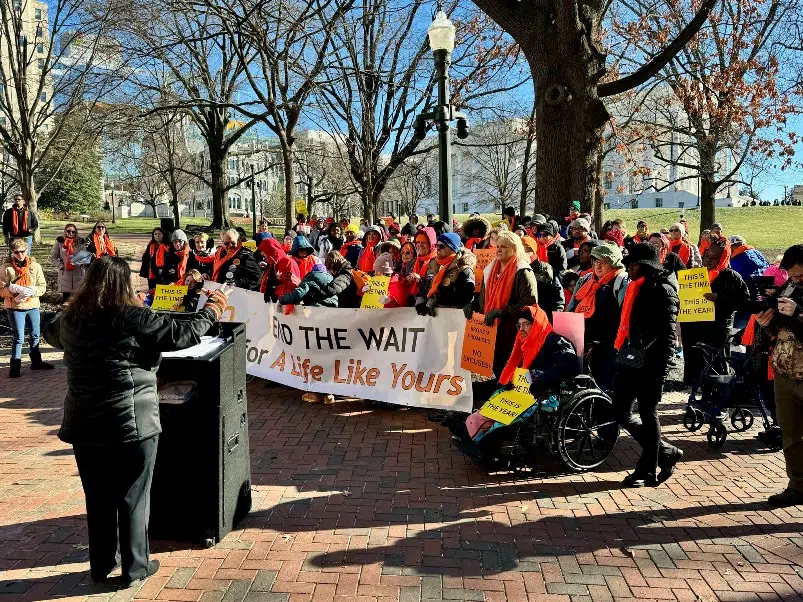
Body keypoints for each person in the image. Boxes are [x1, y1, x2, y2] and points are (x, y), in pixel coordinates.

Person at [43, 256, 231, 587]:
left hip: (85, 423)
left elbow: (50, 332)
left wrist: (70, 312)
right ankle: (135, 567)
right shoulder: (133, 317)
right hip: (131, 421)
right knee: (133, 494)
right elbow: (183, 335)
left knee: (97, 496)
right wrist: (213, 309)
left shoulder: (73, 319)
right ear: (125, 283)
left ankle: (101, 565)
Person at [613, 243, 682, 488]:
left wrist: (661, 369)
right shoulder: (635, 286)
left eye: (633, 264)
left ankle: (647, 470)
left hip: (651, 364)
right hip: (630, 357)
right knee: (620, 411)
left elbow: (667, 336)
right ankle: (665, 453)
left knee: (647, 414)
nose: (628, 268)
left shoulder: (663, 290)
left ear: (645, 266)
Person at [755, 244, 803, 506]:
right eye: (792, 276)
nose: (795, 281)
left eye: (800, 276)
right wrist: (768, 323)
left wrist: (797, 312)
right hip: (785, 372)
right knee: (790, 434)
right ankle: (797, 486)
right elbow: (779, 330)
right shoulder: (789, 289)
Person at [470, 231, 538, 385]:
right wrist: (472, 306)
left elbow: (529, 303)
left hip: (512, 330)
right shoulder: (490, 269)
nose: (498, 250)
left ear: (514, 249)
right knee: (498, 365)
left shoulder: (522, 271)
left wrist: (501, 312)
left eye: (504, 247)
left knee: (511, 367)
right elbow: (483, 297)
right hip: (493, 329)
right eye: (497, 246)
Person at [680, 238, 750, 385]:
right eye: (707, 256)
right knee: (696, 362)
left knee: (716, 363)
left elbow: (745, 302)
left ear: (723, 258)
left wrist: (720, 298)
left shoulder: (731, 276)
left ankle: (719, 393)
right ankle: (695, 389)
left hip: (717, 330)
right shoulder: (697, 275)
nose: (708, 261)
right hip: (695, 327)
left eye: (714, 258)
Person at [568, 242, 628, 391]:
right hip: (583, 346)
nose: (598, 266)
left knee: (606, 388)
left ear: (614, 263)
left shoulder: (621, 281)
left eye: (604, 262)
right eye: (596, 261)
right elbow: (571, 308)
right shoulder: (585, 280)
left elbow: (626, 316)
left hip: (610, 348)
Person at [2, 238, 52, 377]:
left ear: (27, 250)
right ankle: (15, 366)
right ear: (12, 252)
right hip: (15, 306)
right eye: (16, 252)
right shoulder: (7, 268)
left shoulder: (35, 266)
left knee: (35, 335)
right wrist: (12, 292)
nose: (20, 255)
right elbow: (1, 289)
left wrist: (33, 290)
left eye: (22, 251)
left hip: (32, 305)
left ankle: (36, 362)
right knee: (19, 337)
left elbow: (42, 286)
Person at [415, 233, 475, 316]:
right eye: (437, 245)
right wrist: (420, 300)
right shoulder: (432, 264)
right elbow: (424, 287)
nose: (438, 249)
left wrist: (436, 300)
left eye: (442, 246)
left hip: (452, 318)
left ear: (453, 248)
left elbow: (466, 298)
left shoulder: (463, 269)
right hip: (432, 317)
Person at [257, 237, 301, 303]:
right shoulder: (272, 264)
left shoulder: (288, 263)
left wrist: (274, 291)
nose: (262, 254)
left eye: (263, 251)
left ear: (270, 250)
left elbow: (292, 286)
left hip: (284, 305)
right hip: (271, 304)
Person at [51, 224, 86, 303]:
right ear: (65, 231)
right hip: (65, 274)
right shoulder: (60, 242)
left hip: (78, 273)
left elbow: (85, 257)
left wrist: (80, 262)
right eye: (69, 231)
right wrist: (60, 266)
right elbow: (53, 257)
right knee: (66, 300)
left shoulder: (81, 242)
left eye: (73, 232)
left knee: (78, 301)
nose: (71, 233)